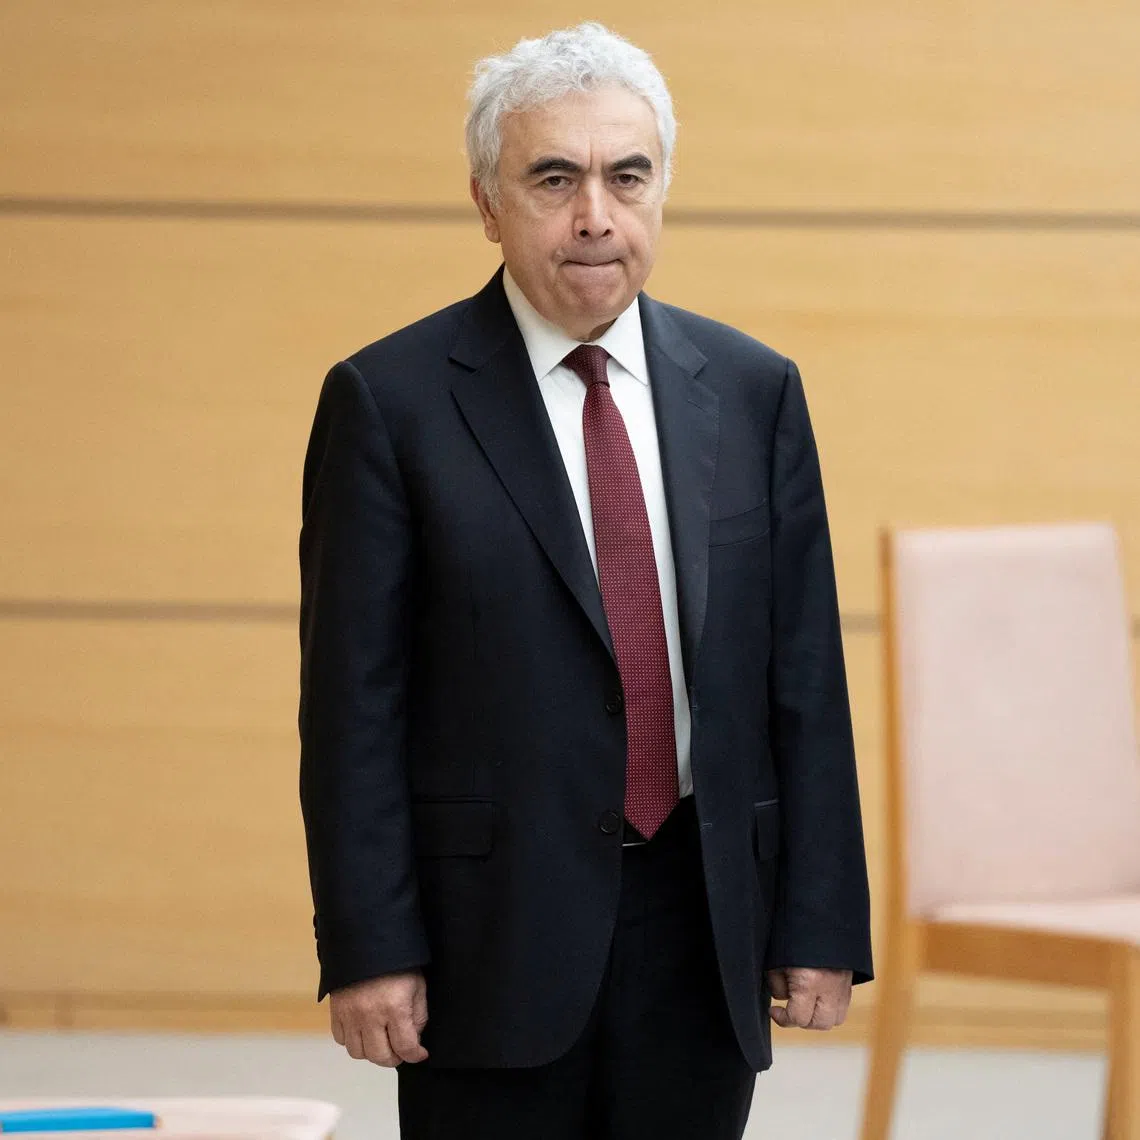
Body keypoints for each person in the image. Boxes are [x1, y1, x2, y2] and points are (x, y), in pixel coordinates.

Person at [298, 21, 872, 1140]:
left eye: (627, 176)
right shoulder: (390, 402)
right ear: (486, 199)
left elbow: (804, 680)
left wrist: (820, 921)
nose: (595, 215)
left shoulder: (754, 391)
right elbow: (352, 707)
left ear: (662, 190)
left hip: (704, 924)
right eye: (553, 178)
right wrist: (370, 945)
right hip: (488, 937)